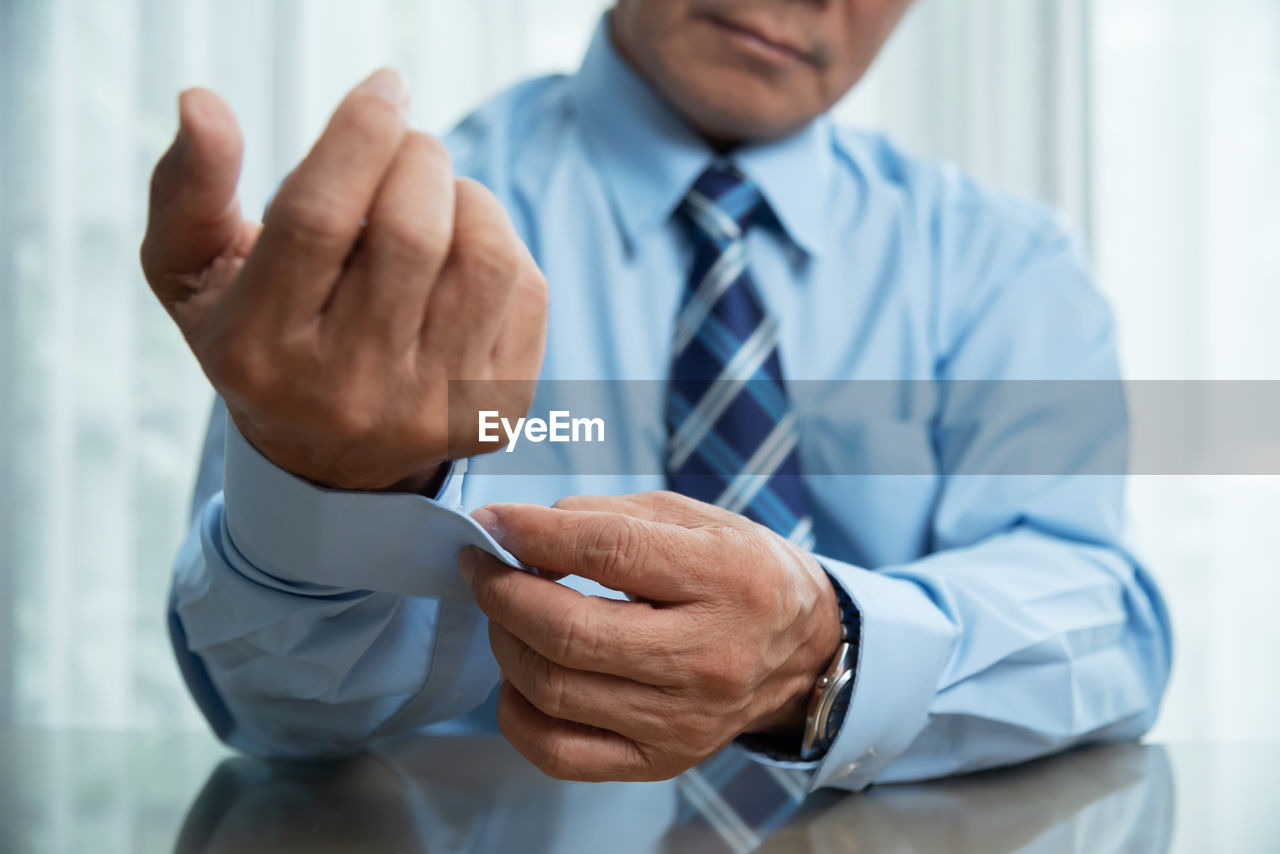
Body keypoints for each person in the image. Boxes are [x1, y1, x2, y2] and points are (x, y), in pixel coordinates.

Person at [140, 0, 1172, 792]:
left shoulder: (1001, 263)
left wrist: (827, 650)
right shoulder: (395, 249)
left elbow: (1104, 619)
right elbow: (275, 715)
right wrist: (337, 494)